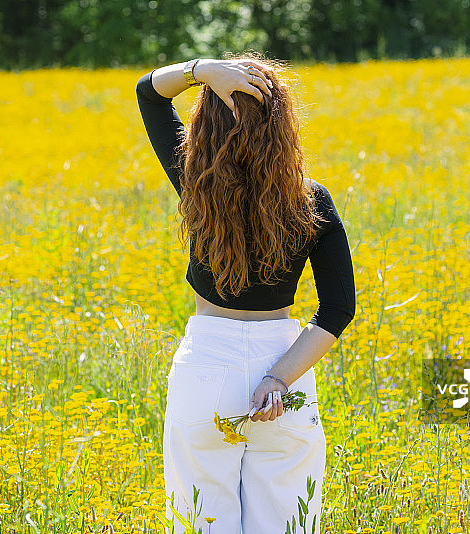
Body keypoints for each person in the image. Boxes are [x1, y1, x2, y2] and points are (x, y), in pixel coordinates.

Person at [135, 52, 356, 533]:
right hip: (285, 373)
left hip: (206, 366)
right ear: (283, 123)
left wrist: (201, 72)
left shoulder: (197, 182)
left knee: (202, 524)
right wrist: (278, 379)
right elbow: (338, 309)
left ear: (206, 124)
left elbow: (148, 94)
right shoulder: (311, 200)